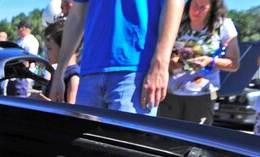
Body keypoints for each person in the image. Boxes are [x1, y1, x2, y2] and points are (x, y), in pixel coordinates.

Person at [48, 0, 185, 114]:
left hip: (136, 74)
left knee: (128, 144)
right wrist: (59, 73)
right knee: (83, 146)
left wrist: (160, 63)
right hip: (89, 73)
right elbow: (76, 15)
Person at [158, 0, 240, 124]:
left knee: (195, 138)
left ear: (212, 9)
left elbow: (234, 64)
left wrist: (210, 62)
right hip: (171, 92)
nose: (196, 11)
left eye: (203, 7)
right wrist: (173, 62)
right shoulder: (177, 21)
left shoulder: (223, 25)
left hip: (202, 95)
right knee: (166, 135)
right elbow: (162, 54)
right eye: (195, 5)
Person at [44, 19, 81, 103]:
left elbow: (70, 110)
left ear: (65, 48)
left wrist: (41, 101)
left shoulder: (73, 77)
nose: (46, 52)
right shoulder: (58, 73)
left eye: (49, 48)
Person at [8, 19, 40, 97]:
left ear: (23, 28)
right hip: (15, 76)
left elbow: (28, 60)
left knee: (19, 100)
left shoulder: (30, 41)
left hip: (22, 78)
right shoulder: (22, 40)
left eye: (18, 28)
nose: (18, 30)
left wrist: (23, 74)